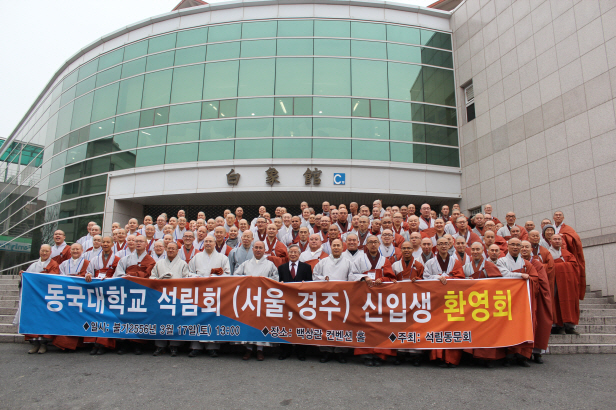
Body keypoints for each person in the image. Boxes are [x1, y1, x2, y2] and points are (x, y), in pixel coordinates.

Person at [312, 239, 360, 364]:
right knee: (325, 325)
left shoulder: (348, 262)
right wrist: (324, 278)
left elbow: (353, 277)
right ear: (331, 247)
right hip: (326, 299)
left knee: (341, 325)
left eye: (339, 245)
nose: (336, 247)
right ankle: (326, 351)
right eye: (334, 245)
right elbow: (315, 275)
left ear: (342, 248)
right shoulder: (323, 262)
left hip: (342, 299)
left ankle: (340, 352)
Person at [353, 236, 397, 366]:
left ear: (379, 244)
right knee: (365, 325)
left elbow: (391, 278)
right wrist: (364, 277)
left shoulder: (385, 260)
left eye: (375, 242)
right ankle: (366, 354)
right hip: (364, 297)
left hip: (380, 297)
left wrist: (382, 279)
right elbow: (352, 275)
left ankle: (380, 354)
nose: (373, 244)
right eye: (370, 242)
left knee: (381, 325)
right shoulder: (359, 259)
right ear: (366, 245)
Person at [423, 237, 465, 368]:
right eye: (440, 244)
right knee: (437, 327)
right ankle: (438, 357)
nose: (443, 246)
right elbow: (425, 277)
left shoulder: (455, 262)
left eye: (445, 244)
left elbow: (460, 277)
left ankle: (451, 359)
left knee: (452, 328)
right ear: (437, 246)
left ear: (449, 245)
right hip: (436, 299)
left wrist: (448, 278)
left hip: (452, 300)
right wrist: (438, 277)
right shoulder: (430, 262)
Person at [234, 241, 279, 361]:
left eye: (260, 248)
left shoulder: (270, 265)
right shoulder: (245, 264)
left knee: (262, 323)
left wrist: (264, 282)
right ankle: (248, 348)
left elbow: (275, 279)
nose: (258, 250)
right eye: (256, 247)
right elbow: (236, 276)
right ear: (253, 249)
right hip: (248, 298)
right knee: (249, 322)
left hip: (263, 297)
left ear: (265, 250)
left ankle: (260, 349)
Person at [462, 242, 504, 367]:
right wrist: (466, 280)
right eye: (473, 249)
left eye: (478, 249)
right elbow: (458, 281)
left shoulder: (489, 265)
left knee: (487, 331)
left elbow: (498, 283)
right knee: (470, 329)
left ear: (483, 251)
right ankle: (471, 357)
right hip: (470, 304)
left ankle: (487, 358)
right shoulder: (466, 267)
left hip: (486, 304)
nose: (475, 252)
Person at [496, 238, 535, 367]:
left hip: (521, 299)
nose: (515, 247)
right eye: (512, 244)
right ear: (507, 246)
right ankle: (509, 355)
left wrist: (526, 277)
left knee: (521, 326)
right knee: (508, 327)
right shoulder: (501, 261)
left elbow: (534, 278)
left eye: (518, 245)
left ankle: (522, 356)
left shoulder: (525, 263)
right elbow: (504, 274)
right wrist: (520, 275)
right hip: (506, 298)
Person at [150, 242, 190, 357]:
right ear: (165, 249)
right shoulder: (159, 263)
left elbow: (187, 279)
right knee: (161, 320)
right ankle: (160, 345)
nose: (171, 250)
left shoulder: (182, 264)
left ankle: (174, 345)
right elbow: (152, 277)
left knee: (175, 320)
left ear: (177, 251)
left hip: (177, 295)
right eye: (169, 248)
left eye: (173, 249)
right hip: (162, 295)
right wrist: (160, 279)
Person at [19, 244, 60, 354]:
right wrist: (23, 274)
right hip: (34, 297)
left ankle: (43, 344)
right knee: (34, 319)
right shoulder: (33, 265)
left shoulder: (54, 264)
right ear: (39, 251)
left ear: (51, 252)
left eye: (47, 251)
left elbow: (53, 279)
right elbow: (28, 277)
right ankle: (35, 343)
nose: (44, 253)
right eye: (42, 251)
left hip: (46, 297)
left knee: (44, 320)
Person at [520, 240, 553, 364]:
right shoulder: (516, 262)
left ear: (531, 249)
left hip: (535, 297)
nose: (524, 249)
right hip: (520, 300)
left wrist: (530, 281)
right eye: (522, 247)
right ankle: (521, 353)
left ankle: (537, 353)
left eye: (527, 247)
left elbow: (543, 281)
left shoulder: (536, 264)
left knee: (538, 324)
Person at [54, 243, 90, 351]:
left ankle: (79, 344)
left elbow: (89, 275)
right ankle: (64, 344)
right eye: (73, 249)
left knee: (79, 318)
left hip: (80, 294)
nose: (75, 251)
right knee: (66, 317)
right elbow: (60, 277)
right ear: (70, 251)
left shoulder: (87, 263)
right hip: (67, 294)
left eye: (77, 249)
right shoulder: (64, 264)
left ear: (82, 250)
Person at [549, 234, 581, 336]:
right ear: (550, 241)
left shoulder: (567, 253)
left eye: (559, 239)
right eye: (555, 239)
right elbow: (547, 266)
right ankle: (558, 325)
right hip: (555, 282)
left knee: (570, 303)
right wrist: (562, 264)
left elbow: (575, 265)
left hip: (568, 283)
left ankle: (570, 326)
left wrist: (558, 264)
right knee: (557, 303)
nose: (557, 241)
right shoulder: (547, 253)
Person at [553, 211, 586, 300]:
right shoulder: (551, 228)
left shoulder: (568, 229)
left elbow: (576, 240)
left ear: (563, 218)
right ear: (553, 217)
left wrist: (564, 236)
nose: (558, 216)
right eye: (556, 215)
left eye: (560, 215)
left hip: (564, 256)